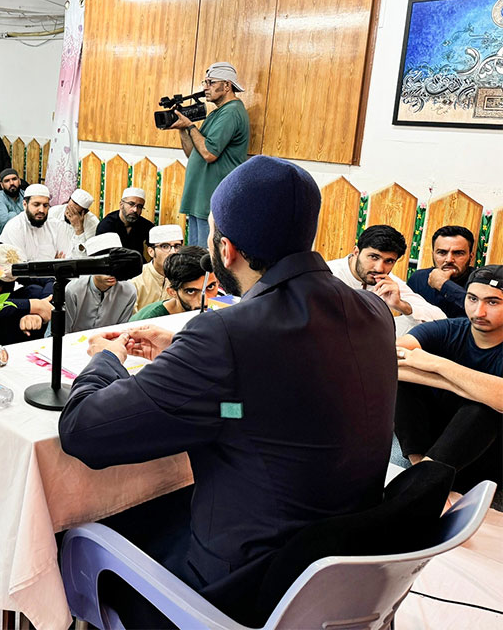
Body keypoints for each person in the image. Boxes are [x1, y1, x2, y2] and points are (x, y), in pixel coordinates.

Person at [58, 156, 397, 628]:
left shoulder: (227, 334)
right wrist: (181, 354)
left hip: (236, 588)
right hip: (335, 572)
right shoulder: (373, 312)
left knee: (71, 528)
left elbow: (83, 432)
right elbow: (272, 403)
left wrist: (104, 359)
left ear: (226, 248)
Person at [395, 265, 503, 491]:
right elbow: (389, 361)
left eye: (493, 302)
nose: (478, 311)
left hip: (488, 456)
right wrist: (458, 384)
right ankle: (420, 472)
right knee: (401, 383)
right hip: (434, 449)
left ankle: (420, 484)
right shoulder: (449, 329)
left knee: (484, 407)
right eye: (472, 299)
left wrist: (438, 364)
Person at [171, 62, 250, 247]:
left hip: (212, 200)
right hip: (200, 200)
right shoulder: (218, 113)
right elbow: (194, 154)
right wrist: (183, 129)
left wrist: (190, 126)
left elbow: (209, 153)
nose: (205, 88)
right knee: (197, 259)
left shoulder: (231, 112)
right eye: (204, 82)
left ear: (227, 85)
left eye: (211, 83)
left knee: (208, 261)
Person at [326, 224, 445, 335]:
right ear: (356, 252)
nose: (379, 268)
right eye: (373, 257)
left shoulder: (387, 282)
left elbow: (441, 321)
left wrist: (400, 305)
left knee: (411, 324)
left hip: (369, 345)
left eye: (389, 261)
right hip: (330, 343)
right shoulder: (327, 275)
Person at [64, 233, 137, 333]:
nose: (112, 272)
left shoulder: (129, 291)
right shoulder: (73, 290)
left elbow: (122, 332)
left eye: (116, 264)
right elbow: (63, 332)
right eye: (105, 265)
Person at [0, 244, 53, 346]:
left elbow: (49, 279)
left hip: (15, 319)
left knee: (35, 291)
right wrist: (32, 306)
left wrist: (41, 309)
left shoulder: (11, 268)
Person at [132, 245, 220, 320]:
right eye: (191, 291)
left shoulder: (223, 306)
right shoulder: (151, 321)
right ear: (172, 292)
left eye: (210, 287)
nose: (204, 302)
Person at [407, 225, 476, 319]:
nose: (449, 259)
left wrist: (444, 285)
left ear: (471, 257)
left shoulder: (481, 282)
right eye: (442, 252)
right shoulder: (418, 279)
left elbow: (479, 309)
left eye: (458, 253)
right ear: (433, 254)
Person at [0, 183, 76, 261]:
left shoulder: (56, 226)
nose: (41, 210)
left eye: (45, 205)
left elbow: (67, 259)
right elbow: (19, 266)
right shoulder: (14, 227)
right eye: (36, 205)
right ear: (25, 205)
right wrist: (53, 265)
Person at [131, 224, 184, 312]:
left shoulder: (186, 278)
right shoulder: (136, 280)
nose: (173, 252)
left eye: (177, 246)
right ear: (151, 252)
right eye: (165, 246)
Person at [96, 186, 154, 260]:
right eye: (131, 204)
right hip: (112, 267)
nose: (135, 210)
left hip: (137, 267)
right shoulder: (107, 225)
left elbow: (156, 245)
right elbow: (100, 256)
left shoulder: (144, 224)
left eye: (139, 206)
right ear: (121, 205)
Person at [48, 188, 100, 257]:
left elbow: (85, 256)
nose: (69, 214)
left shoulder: (93, 223)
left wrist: (79, 230)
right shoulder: (54, 212)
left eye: (75, 213)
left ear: (84, 213)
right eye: (68, 209)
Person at [0, 167, 23, 239]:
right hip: (2, 236)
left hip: (25, 234)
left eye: (14, 179)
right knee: (12, 215)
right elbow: (6, 221)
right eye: (7, 181)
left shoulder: (26, 195)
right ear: (2, 185)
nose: (11, 183)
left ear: (19, 181)